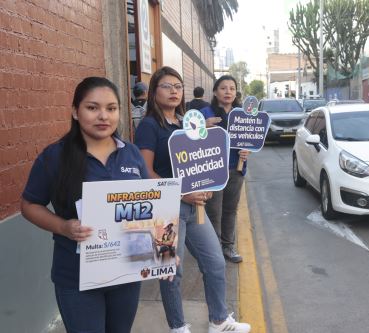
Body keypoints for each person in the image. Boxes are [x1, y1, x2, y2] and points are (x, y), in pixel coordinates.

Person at [20, 77, 148, 333]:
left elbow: (147, 210)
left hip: (126, 276)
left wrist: (162, 253)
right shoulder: (55, 156)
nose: (103, 116)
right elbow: (29, 205)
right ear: (75, 112)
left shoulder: (132, 154)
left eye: (111, 108)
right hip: (76, 278)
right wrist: (63, 226)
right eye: (92, 107)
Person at [134, 66, 251, 333]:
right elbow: (145, 172)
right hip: (165, 209)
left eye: (178, 86)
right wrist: (182, 193)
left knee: (214, 262)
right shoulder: (150, 126)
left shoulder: (187, 121)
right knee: (171, 271)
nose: (174, 91)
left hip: (194, 207)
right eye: (167, 86)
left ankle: (219, 320)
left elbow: (202, 160)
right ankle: (178, 327)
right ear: (154, 92)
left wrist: (207, 184)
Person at [200, 75, 250, 264]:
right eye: (223, 88)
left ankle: (228, 246)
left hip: (236, 169)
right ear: (215, 92)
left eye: (231, 88)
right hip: (212, 172)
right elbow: (187, 135)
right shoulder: (205, 112)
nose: (228, 91)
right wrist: (202, 126)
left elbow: (250, 139)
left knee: (230, 210)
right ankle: (212, 250)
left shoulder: (242, 115)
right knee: (214, 211)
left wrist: (247, 150)